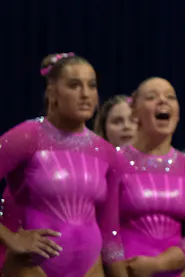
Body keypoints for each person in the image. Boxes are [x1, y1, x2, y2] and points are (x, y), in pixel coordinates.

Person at [0, 53, 125, 277]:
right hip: (32, 269)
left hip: (91, 270)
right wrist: (11, 238)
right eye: (74, 85)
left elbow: (110, 232)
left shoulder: (107, 153)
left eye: (92, 85)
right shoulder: (27, 137)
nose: (85, 94)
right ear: (52, 93)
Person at [118, 77, 185, 277]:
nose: (163, 101)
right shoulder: (115, 161)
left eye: (171, 97)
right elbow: (104, 230)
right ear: (134, 110)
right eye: (152, 97)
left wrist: (160, 264)